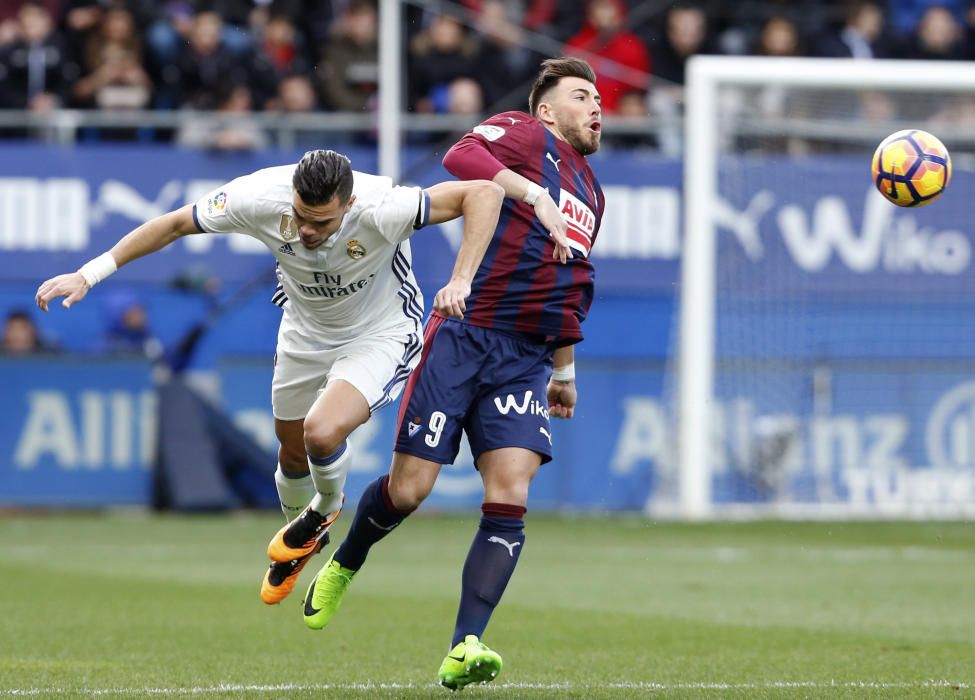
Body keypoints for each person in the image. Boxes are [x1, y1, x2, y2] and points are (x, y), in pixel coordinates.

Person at [35, 149, 506, 605]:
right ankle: (304, 545)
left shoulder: (385, 206)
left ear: (350, 204)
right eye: (301, 216)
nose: (306, 231)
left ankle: (322, 511)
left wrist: (461, 278)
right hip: (304, 329)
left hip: (379, 332)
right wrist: (90, 274)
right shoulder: (259, 196)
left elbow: (483, 193)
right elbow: (174, 223)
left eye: (321, 223)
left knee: (321, 432)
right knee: (292, 450)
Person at [301, 57, 603, 691]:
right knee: (411, 491)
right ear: (547, 109)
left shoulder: (594, 193)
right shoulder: (525, 134)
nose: (596, 105)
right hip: (464, 338)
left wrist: (564, 368)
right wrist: (533, 193)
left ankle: (465, 645)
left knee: (511, 490)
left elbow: (569, 284)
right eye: (581, 95)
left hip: (524, 358)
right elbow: (460, 158)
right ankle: (345, 563)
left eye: (598, 96)